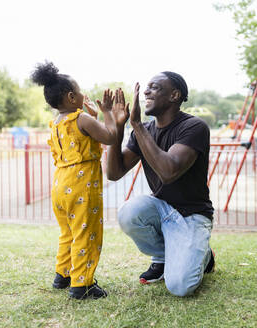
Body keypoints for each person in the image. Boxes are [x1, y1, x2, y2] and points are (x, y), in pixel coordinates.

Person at [107, 72, 215, 297]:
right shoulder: (144, 131)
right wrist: (117, 128)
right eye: (146, 87)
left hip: (192, 215)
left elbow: (169, 171)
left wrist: (136, 124)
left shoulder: (194, 127)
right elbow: (114, 173)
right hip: (161, 209)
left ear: (174, 95)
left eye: (154, 87)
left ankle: (204, 256)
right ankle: (165, 256)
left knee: (180, 287)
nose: (145, 92)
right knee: (129, 212)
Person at [31, 61, 118, 300]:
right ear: (71, 97)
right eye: (79, 91)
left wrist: (95, 116)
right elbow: (110, 137)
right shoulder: (82, 119)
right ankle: (82, 284)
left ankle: (63, 274)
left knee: (68, 231)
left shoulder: (57, 123)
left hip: (60, 185)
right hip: (82, 186)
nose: (83, 94)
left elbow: (83, 138)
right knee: (86, 232)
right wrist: (108, 113)